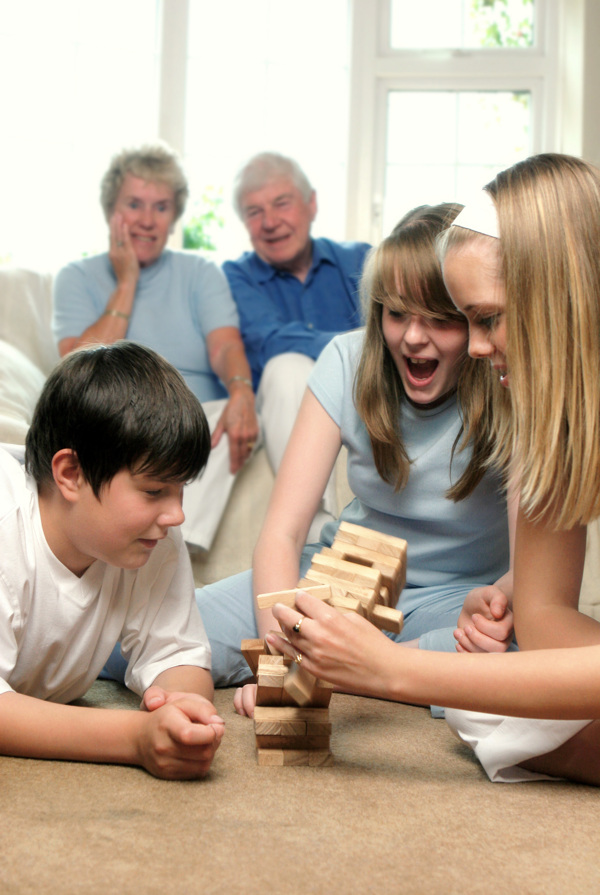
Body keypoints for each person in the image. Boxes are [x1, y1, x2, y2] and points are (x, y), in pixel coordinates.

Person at [264, 154, 600, 787]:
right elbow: (547, 616)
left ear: (560, 298)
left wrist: (388, 671)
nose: (475, 347)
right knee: (493, 715)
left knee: (505, 706)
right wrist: (508, 603)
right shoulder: (547, 414)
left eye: (487, 319)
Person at [196, 203, 515, 702]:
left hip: (454, 602)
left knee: (525, 662)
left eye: (439, 318)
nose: (412, 337)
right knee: (157, 636)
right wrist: (280, 657)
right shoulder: (346, 359)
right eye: (396, 313)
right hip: (333, 579)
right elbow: (281, 532)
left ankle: (370, 669)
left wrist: (493, 608)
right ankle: (368, 670)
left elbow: (536, 575)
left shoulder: (511, 375)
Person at [0, 341, 224, 780]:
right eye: (155, 490)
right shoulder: (7, 528)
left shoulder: (150, 536)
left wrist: (178, 709)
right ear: (71, 474)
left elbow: (176, 652)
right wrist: (134, 737)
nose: (176, 514)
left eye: (180, 490)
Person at [52, 142, 259, 551]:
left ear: (174, 216)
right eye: (134, 204)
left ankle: (176, 548)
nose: (147, 220)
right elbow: (77, 366)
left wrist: (241, 388)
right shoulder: (76, 276)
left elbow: (224, 346)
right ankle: (166, 553)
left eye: (161, 207)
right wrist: (126, 282)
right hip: (119, 419)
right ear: (112, 210)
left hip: (197, 416)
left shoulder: (200, 273)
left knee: (217, 417)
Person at [224, 152, 371, 538]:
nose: (270, 222)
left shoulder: (361, 260)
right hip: (285, 401)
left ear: (312, 204)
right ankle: (314, 526)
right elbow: (270, 340)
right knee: (287, 363)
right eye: (254, 212)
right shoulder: (235, 276)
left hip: (364, 399)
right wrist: (361, 343)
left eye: (281, 204)